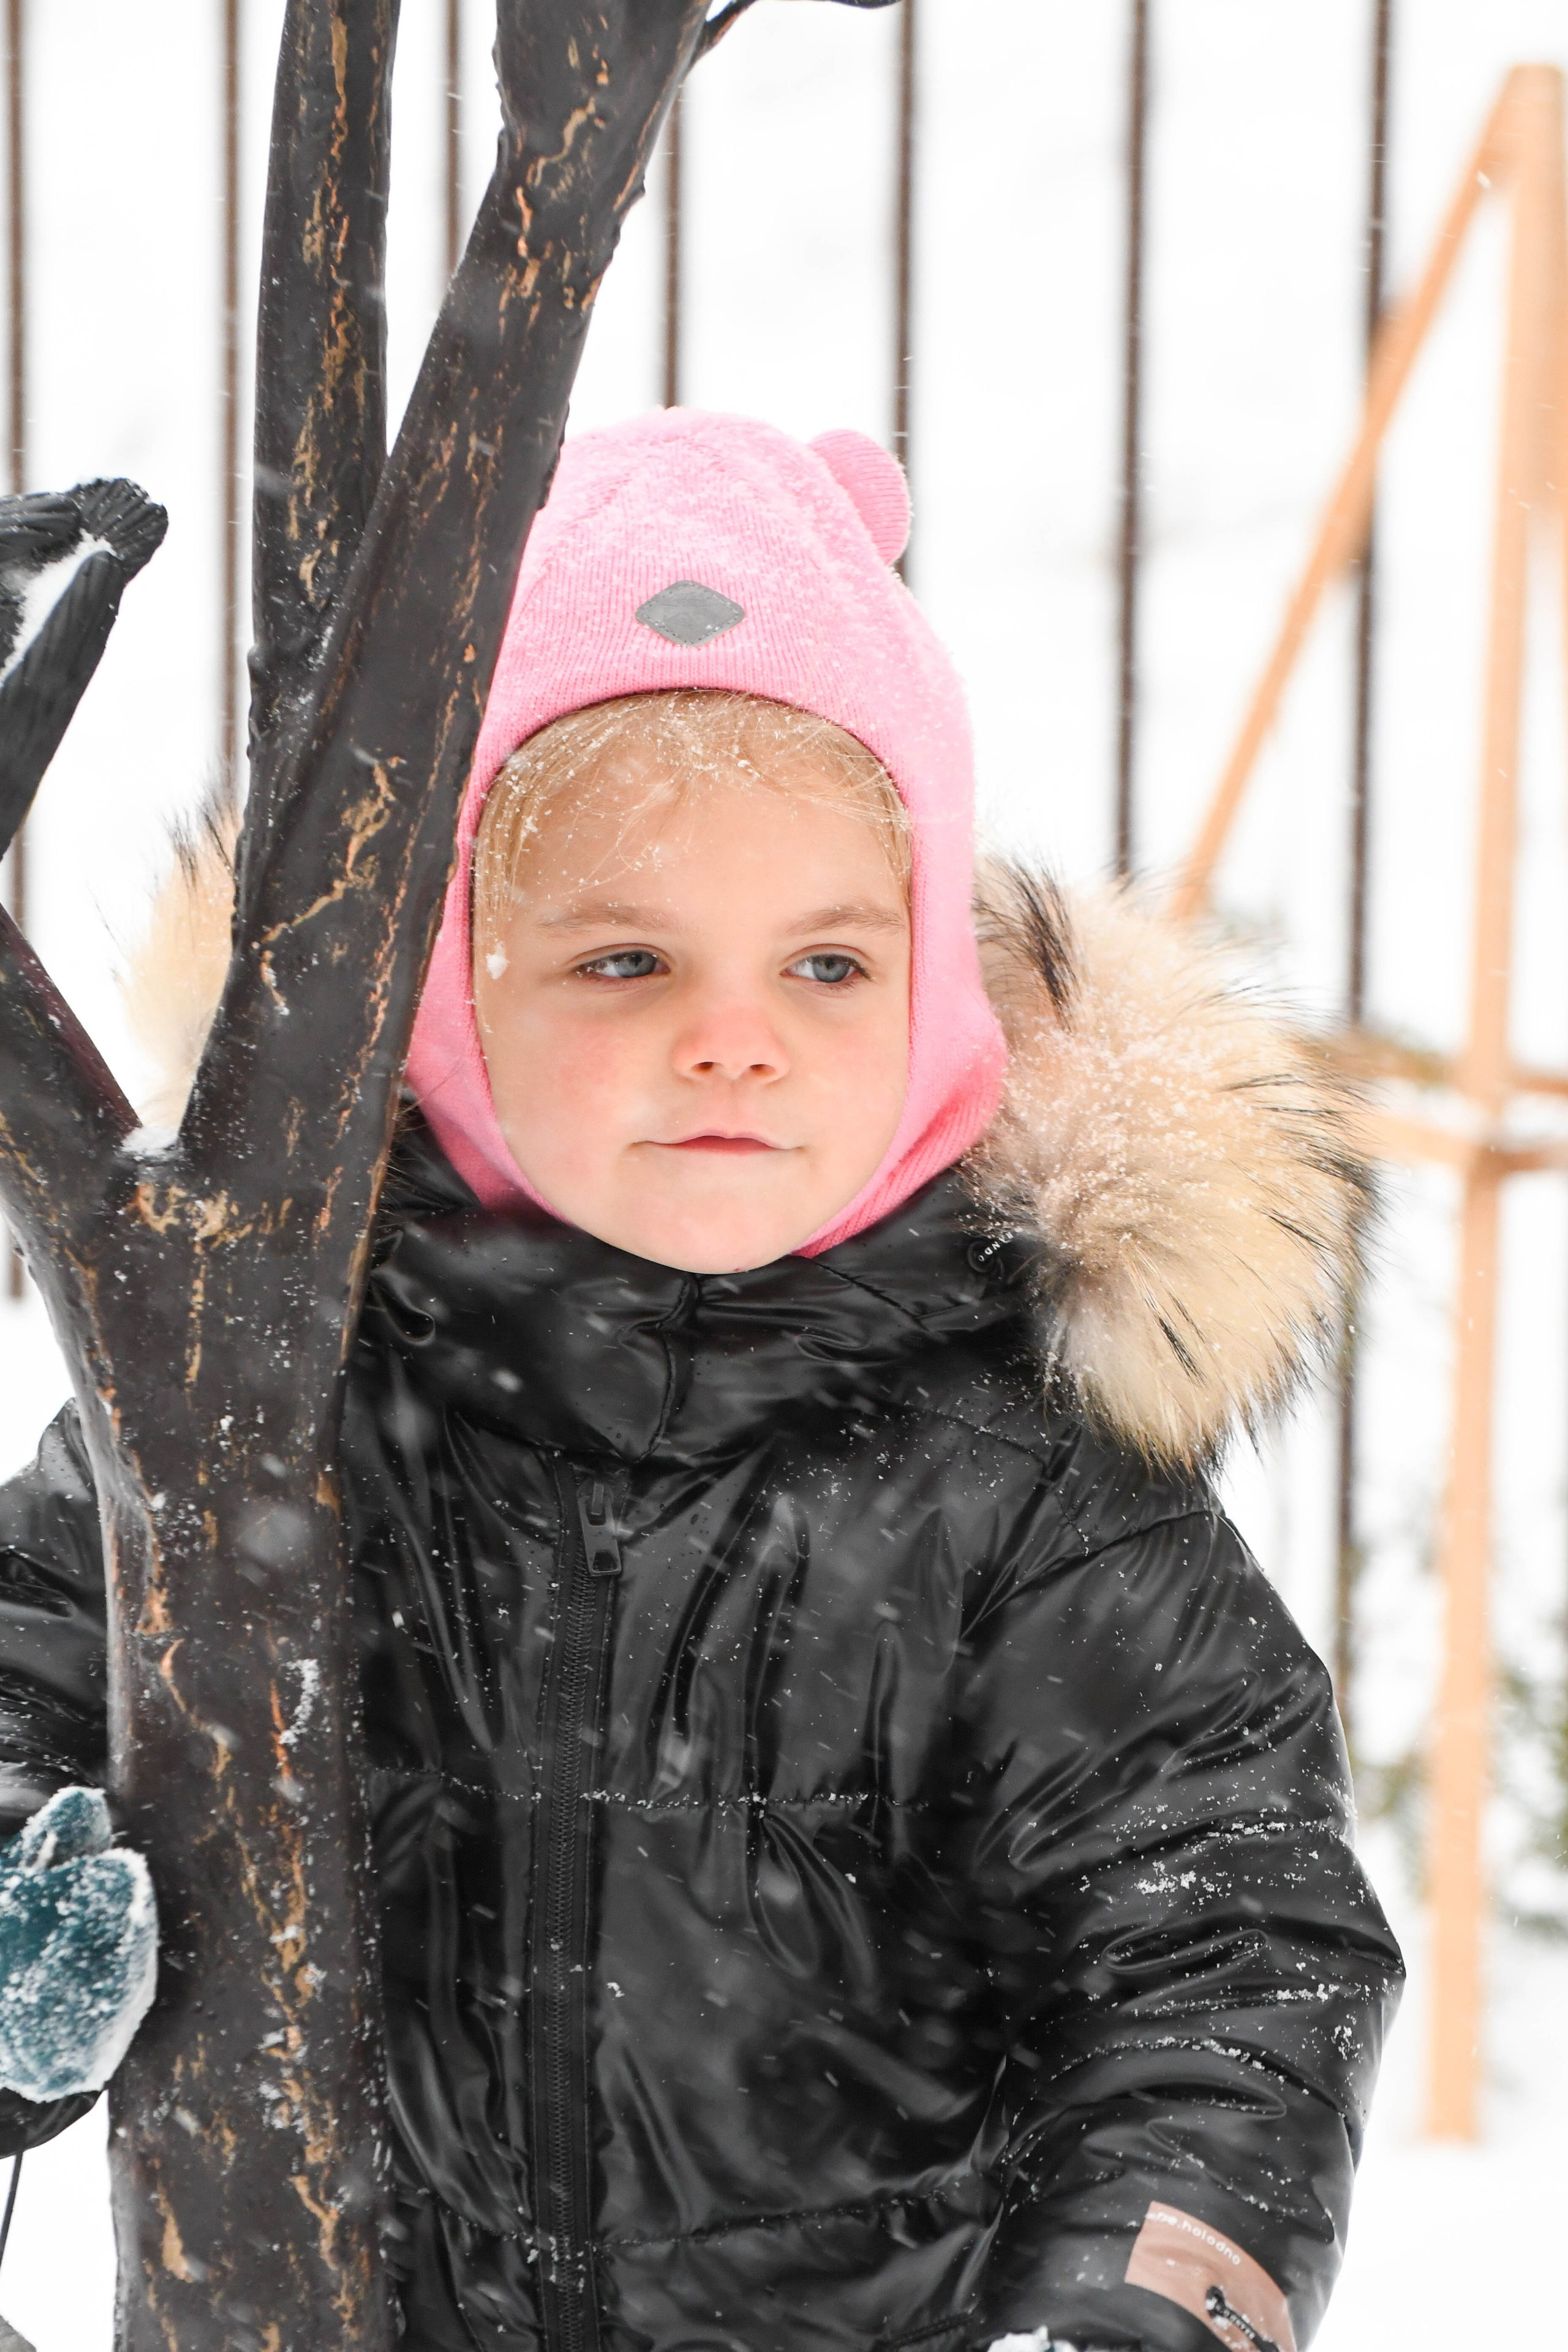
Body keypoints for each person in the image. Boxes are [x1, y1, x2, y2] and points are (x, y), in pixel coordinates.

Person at [0, 412, 1401, 2351]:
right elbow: (29, 1674)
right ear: (438, 997)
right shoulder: (259, 1408)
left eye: (826, 967)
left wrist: (1142, 2304)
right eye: (628, 962)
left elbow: (1227, 1946)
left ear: (930, 998)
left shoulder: (1021, 1490)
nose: (737, 1042)